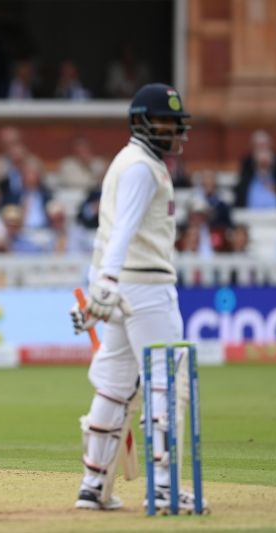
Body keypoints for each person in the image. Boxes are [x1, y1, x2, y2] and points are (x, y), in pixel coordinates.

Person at [70, 83, 206, 512]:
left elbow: (108, 232)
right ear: (142, 122)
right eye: (165, 122)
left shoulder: (133, 161)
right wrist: (106, 284)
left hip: (121, 288)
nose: (172, 130)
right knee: (167, 386)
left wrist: (101, 289)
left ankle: (93, 486)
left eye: (175, 123)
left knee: (113, 386)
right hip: (145, 288)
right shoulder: (142, 167)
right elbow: (123, 230)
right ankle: (164, 487)